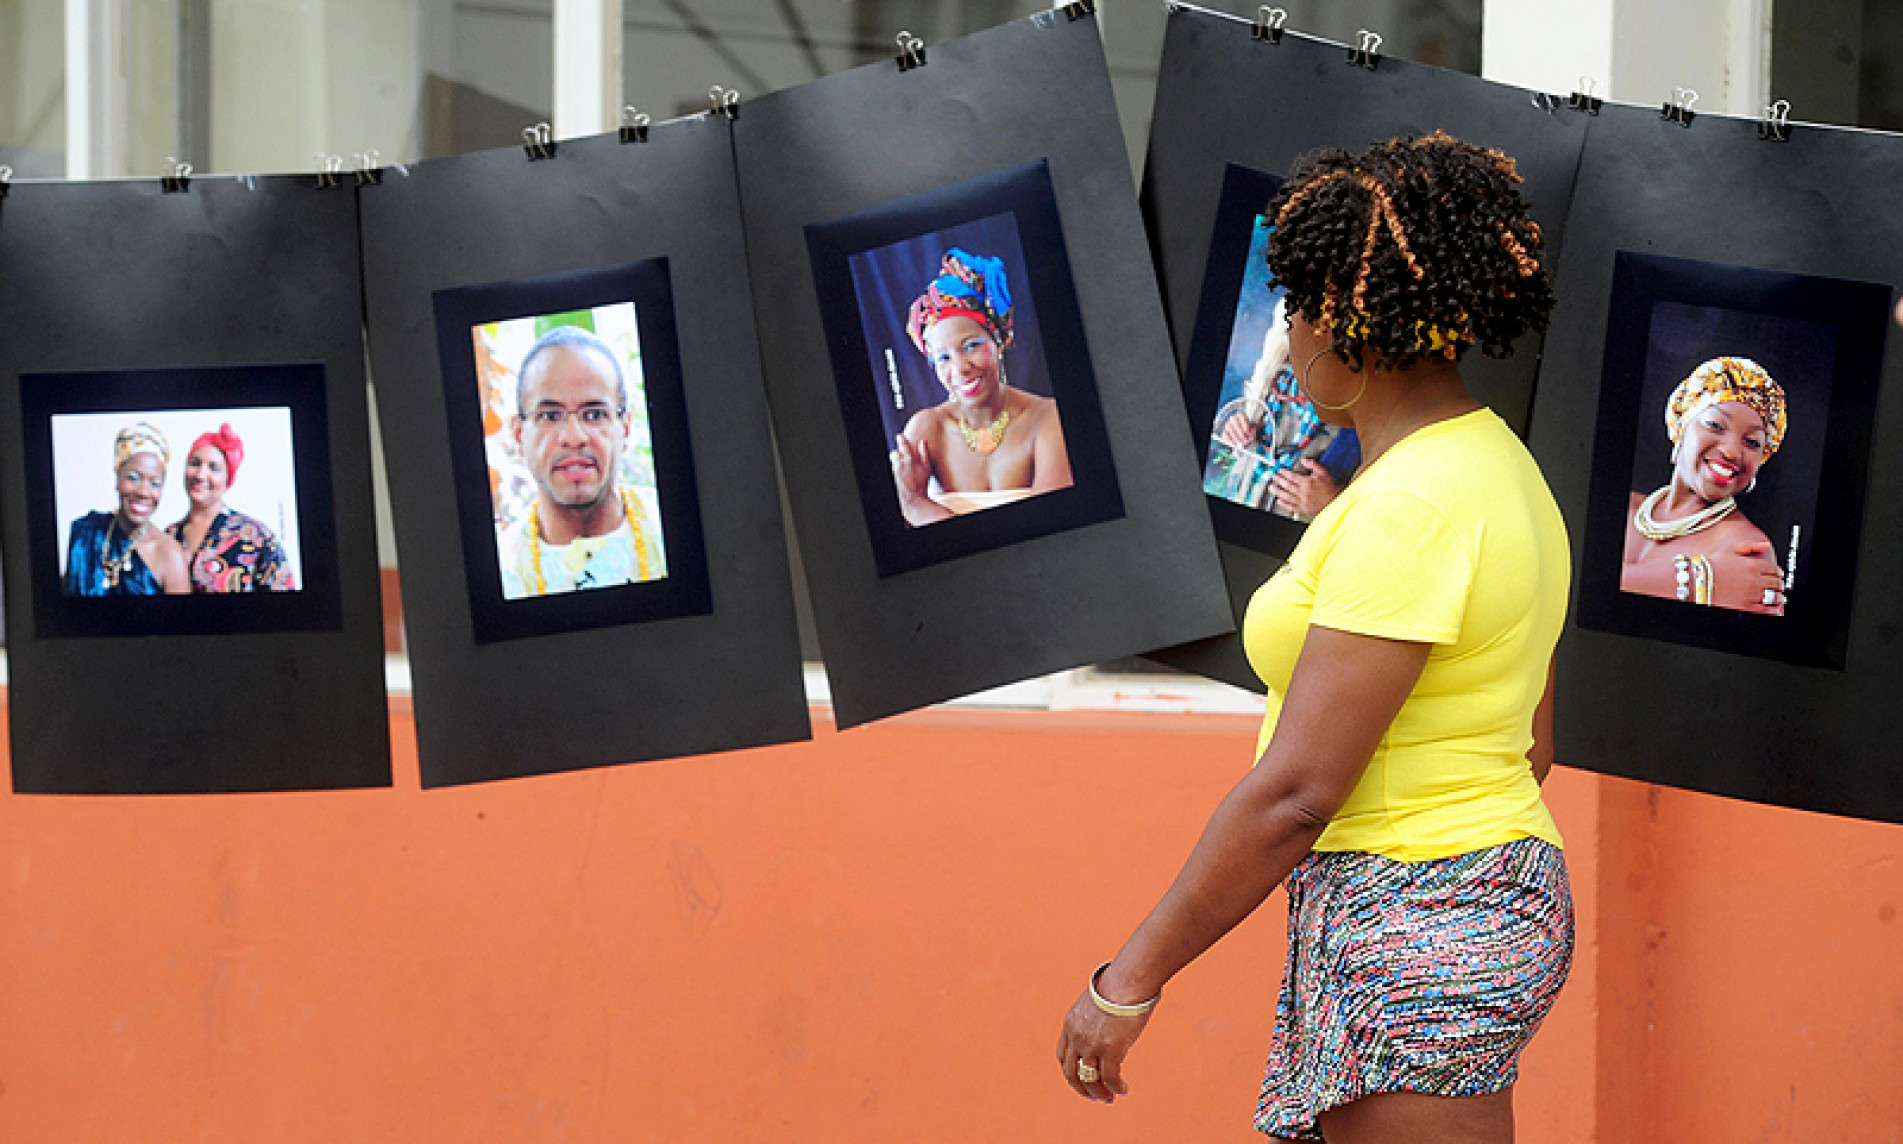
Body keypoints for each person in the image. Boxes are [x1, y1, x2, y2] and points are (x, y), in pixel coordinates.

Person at [1057, 132, 1574, 1144]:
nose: (1283, 338)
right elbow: (1531, 745)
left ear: (1342, 321)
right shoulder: (1494, 466)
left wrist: (1128, 979)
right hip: (1463, 888)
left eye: (1292, 309)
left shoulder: (1411, 507)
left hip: (1418, 909)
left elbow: (1297, 793)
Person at [887, 248, 1072, 526]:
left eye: (971, 346)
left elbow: (1053, 528)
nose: (960, 368)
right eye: (943, 358)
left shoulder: (1047, 420)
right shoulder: (925, 431)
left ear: (998, 341)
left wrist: (917, 506)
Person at [496, 325, 667, 599]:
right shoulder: (500, 571)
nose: (574, 438)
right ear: (518, 433)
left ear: (624, 428)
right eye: (550, 416)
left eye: (595, 414)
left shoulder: (677, 532)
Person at [1620, 357, 1787, 614]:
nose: (1731, 451)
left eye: (1752, 442)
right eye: (1715, 425)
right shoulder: (1625, 506)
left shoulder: (1748, 549)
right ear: (1683, 425)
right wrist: (1701, 581)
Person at [1213, 295, 1360, 521]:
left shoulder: (1358, 411)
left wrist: (1332, 501)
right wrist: (1235, 429)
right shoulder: (1275, 381)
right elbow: (1233, 452)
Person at [165, 423, 296, 592]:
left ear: (228, 480)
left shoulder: (257, 537)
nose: (200, 474)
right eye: (195, 463)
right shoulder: (168, 537)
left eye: (214, 468)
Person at [64, 422, 191, 596]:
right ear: (117, 479)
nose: (144, 492)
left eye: (155, 483)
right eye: (133, 478)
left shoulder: (170, 554)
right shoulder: (85, 532)